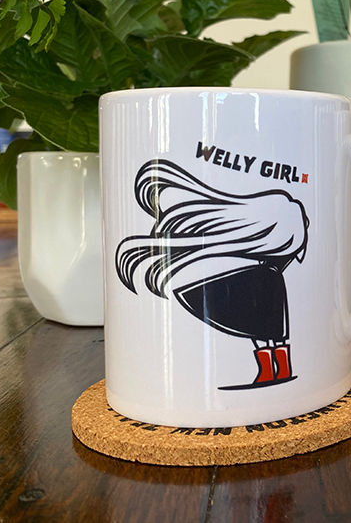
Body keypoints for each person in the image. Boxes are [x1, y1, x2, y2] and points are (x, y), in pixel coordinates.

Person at [115, 159, 309, 388]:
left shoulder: (267, 265)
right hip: (265, 285)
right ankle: (274, 371)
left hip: (264, 285)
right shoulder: (271, 262)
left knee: (265, 332)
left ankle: (274, 372)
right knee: (268, 333)